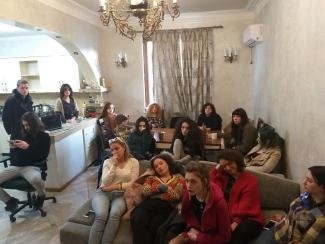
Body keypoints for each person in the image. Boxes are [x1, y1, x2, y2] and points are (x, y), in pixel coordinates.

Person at [255, 166, 325, 244]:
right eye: (306, 178)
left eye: (309, 181)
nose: (304, 182)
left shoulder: (321, 217)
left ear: (322, 187)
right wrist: (285, 218)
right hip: (282, 230)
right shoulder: (308, 195)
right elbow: (298, 215)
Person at [89, 137, 139, 244]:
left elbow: (132, 183)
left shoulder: (133, 162)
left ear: (124, 148)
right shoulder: (108, 162)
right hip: (103, 193)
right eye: (112, 150)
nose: (114, 152)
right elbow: (105, 182)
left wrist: (115, 187)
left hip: (121, 195)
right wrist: (113, 166)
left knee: (114, 214)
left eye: (117, 148)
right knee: (101, 215)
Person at [209, 149, 265, 244]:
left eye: (230, 163)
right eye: (224, 166)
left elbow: (247, 205)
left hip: (249, 218)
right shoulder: (222, 177)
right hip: (228, 216)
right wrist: (216, 170)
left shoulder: (250, 180)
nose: (228, 168)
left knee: (236, 234)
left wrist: (236, 221)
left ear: (237, 161)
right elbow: (210, 188)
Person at [169, 162, 231, 244]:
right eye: (187, 181)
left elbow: (225, 237)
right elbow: (189, 219)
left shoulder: (219, 203)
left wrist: (199, 237)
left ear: (204, 181)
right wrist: (190, 230)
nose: (188, 186)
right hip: (193, 233)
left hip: (209, 239)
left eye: (193, 182)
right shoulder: (188, 195)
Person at [0, 112, 50, 213]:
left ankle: (41, 195)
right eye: (24, 125)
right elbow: (14, 154)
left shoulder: (44, 136)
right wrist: (13, 148)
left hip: (31, 166)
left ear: (34, 123)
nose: (26, 127)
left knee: (35, 179)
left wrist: (28, 147)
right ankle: (10, 201)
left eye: (27, 125)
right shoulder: (20, 134)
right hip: (16, 166)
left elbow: (43, 155)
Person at [131, 153, 185, 244]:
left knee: (155, 225)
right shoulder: (151, 178)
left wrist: (161, 192)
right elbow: (145, 191)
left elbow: (176, 195)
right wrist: (158, 188)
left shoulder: (179, 178)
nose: (159, 167)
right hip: (148, 205)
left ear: (167, 163)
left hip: (165, 208)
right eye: (156, 166)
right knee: (137, 218)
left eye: (161, 163)